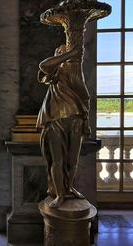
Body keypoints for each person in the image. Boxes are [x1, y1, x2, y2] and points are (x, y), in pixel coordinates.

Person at [37, 44, 91, 208]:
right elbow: (43, 65)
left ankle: (69, 187)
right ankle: (59, 194)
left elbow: (85, 98)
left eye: (66, 52)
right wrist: (70, 53)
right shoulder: (54, 71)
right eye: (60, 52)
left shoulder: (75, 72)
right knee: (57, 160)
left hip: (75, 119)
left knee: (73, 161)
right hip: (55, 120)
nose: (64, 55)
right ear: (56, 55)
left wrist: (86, 123)